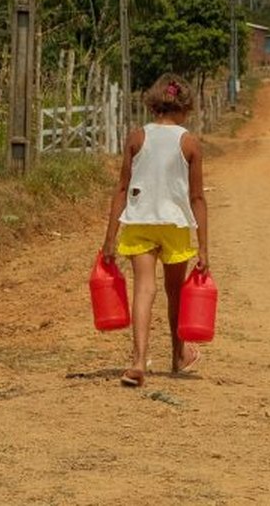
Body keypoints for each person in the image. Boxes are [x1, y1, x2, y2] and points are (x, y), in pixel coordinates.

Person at [102, 74, 209, 388]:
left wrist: (110, 238)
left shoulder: (137, 137)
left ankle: (137, 361)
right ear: (185, 107)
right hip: (174, 225)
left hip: (140, 222)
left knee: (144, 290)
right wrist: (203, 247)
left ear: (154, 104)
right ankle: (178, 356)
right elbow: (197, 197)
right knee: (174, 293)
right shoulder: (189, 142)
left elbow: (122, 189)